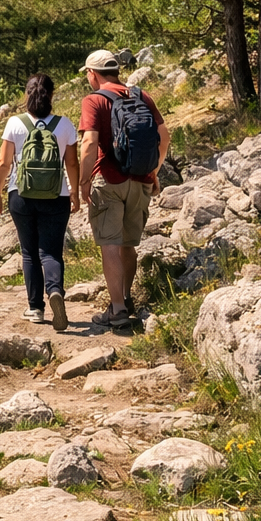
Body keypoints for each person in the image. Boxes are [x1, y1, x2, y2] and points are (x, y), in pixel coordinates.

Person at [78, 49, 171, 328]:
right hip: (141, 180)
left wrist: (83, 182)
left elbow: (89, 144)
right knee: (128, 244)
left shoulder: (94, 100)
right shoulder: (142, 96)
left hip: (109, 181)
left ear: (93, 74)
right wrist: (153, 172)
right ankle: (126, 298)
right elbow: (164, 138)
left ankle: (117, 310)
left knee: (110, 244)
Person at [0, 74, 82, 331]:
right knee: (51, 251)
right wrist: (74, 192)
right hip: (57, 196)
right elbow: (71, 163)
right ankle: (55, 292)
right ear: (51, 97)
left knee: (29, 252)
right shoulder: (64, 125)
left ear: (27, 95)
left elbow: (3, 163)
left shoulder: (14, 124)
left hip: (21, 196)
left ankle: (35, 308)